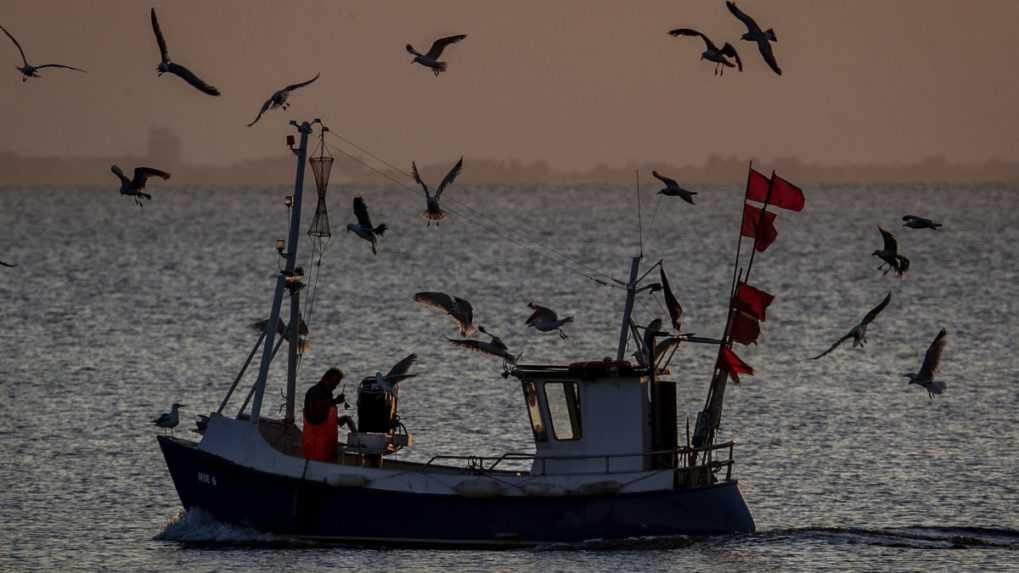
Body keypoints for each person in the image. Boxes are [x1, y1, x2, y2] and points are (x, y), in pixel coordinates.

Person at [302, 367, 346, 461]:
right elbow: (317, 405)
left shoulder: (327, 393)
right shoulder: (316, 391)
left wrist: (337, 420)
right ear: (325, 378)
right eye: (333, 383)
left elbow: (324, 413)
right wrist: (335, 401)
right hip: (315, 440)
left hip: (325, 440)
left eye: (337, 384)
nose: (334, 386)